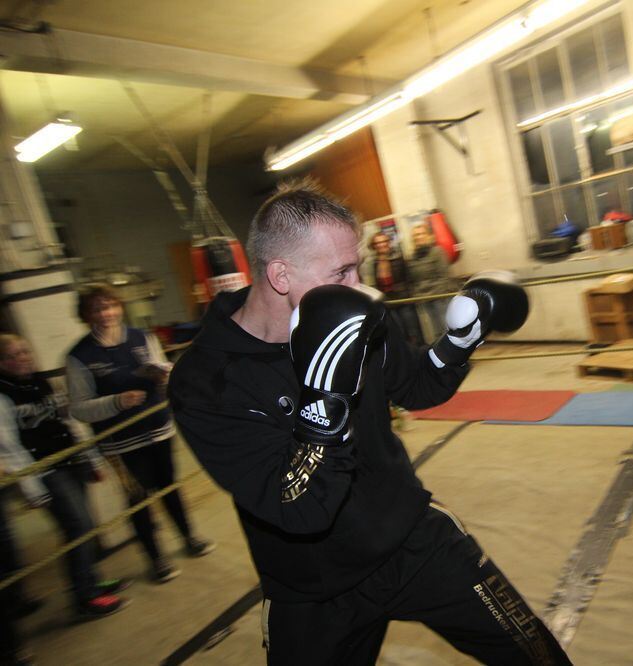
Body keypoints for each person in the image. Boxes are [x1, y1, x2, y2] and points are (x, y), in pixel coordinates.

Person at [168, 180, 569, 665]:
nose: (359, 284)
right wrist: (325, 398)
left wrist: (461, 341)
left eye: (355, 265)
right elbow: (297, 509)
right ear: (280, 276)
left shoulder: (358, 315)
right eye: (342, 270)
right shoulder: (207, 381)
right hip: (312, 588)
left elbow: (417, 387)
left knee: (538, 657)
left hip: (413, 538)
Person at [67, 286, 215, 584]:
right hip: (121, 441)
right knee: (139, 500)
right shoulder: (79, 356)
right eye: (97, 309)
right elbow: (79, 408)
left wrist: (164, 378)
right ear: (86, 315)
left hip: (159, 430)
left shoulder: (141, 337)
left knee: (171, 487)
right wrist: (115, 402)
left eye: (110, 306)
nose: (106, 314)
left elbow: (165, 373)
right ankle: (155, 557)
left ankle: (189, 536)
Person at [0, 334, 130, 619]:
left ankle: (90, 581)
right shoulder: (4, 395)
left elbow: (69, 420)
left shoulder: (42, 382)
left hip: (71, 460)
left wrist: (91, 459)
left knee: (84, 524)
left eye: (24, 351)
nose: (21, 358)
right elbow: (10, 448)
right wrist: (33, 489)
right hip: (46, 470)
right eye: (11, 356)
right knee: (78, 526)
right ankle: (84, 597)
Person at [368, 231, 425, 345]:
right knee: (399, 334)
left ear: (389, 243)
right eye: (378, 243)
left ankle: (420, 357)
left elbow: (410, 278)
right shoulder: (373, 263)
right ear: (374, 246)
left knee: (414, 332)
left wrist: (409, 295)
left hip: (404, 301)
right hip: (388, 303)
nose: (381, 245)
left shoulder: (399, 258)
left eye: (384, 241)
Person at [408, 221, 456, 339]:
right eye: (416, 235)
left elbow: (444, 277)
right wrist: (418, 295)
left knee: (447, 329)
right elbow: (413, 280)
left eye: (421, 234)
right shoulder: (412, 257)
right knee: (435, 332)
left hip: (440, 298)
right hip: (424, 299)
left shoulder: (437, 252)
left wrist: (429, 293)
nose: (419, 237)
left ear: (428, 236)